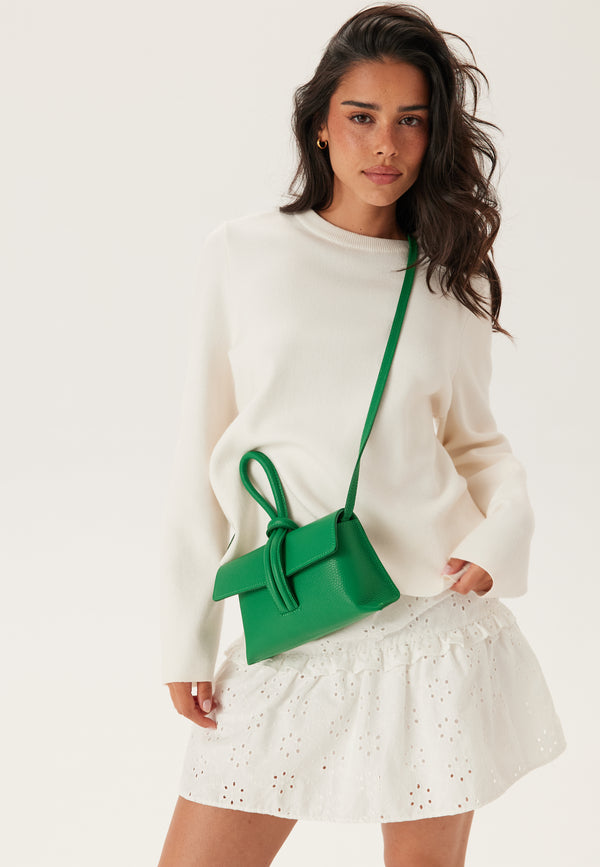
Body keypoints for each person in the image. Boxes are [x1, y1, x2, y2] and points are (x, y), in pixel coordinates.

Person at [156, 4, 567, 865]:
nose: (386, 145)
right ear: (319, 126)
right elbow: (197, 457)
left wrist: (502, 534)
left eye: (411, 120)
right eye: (362, 116)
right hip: (290, 621)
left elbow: (477, 445)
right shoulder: (244, 254)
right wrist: (185, 634)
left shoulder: (448, 279)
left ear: (434, 134)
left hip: (428, 624)